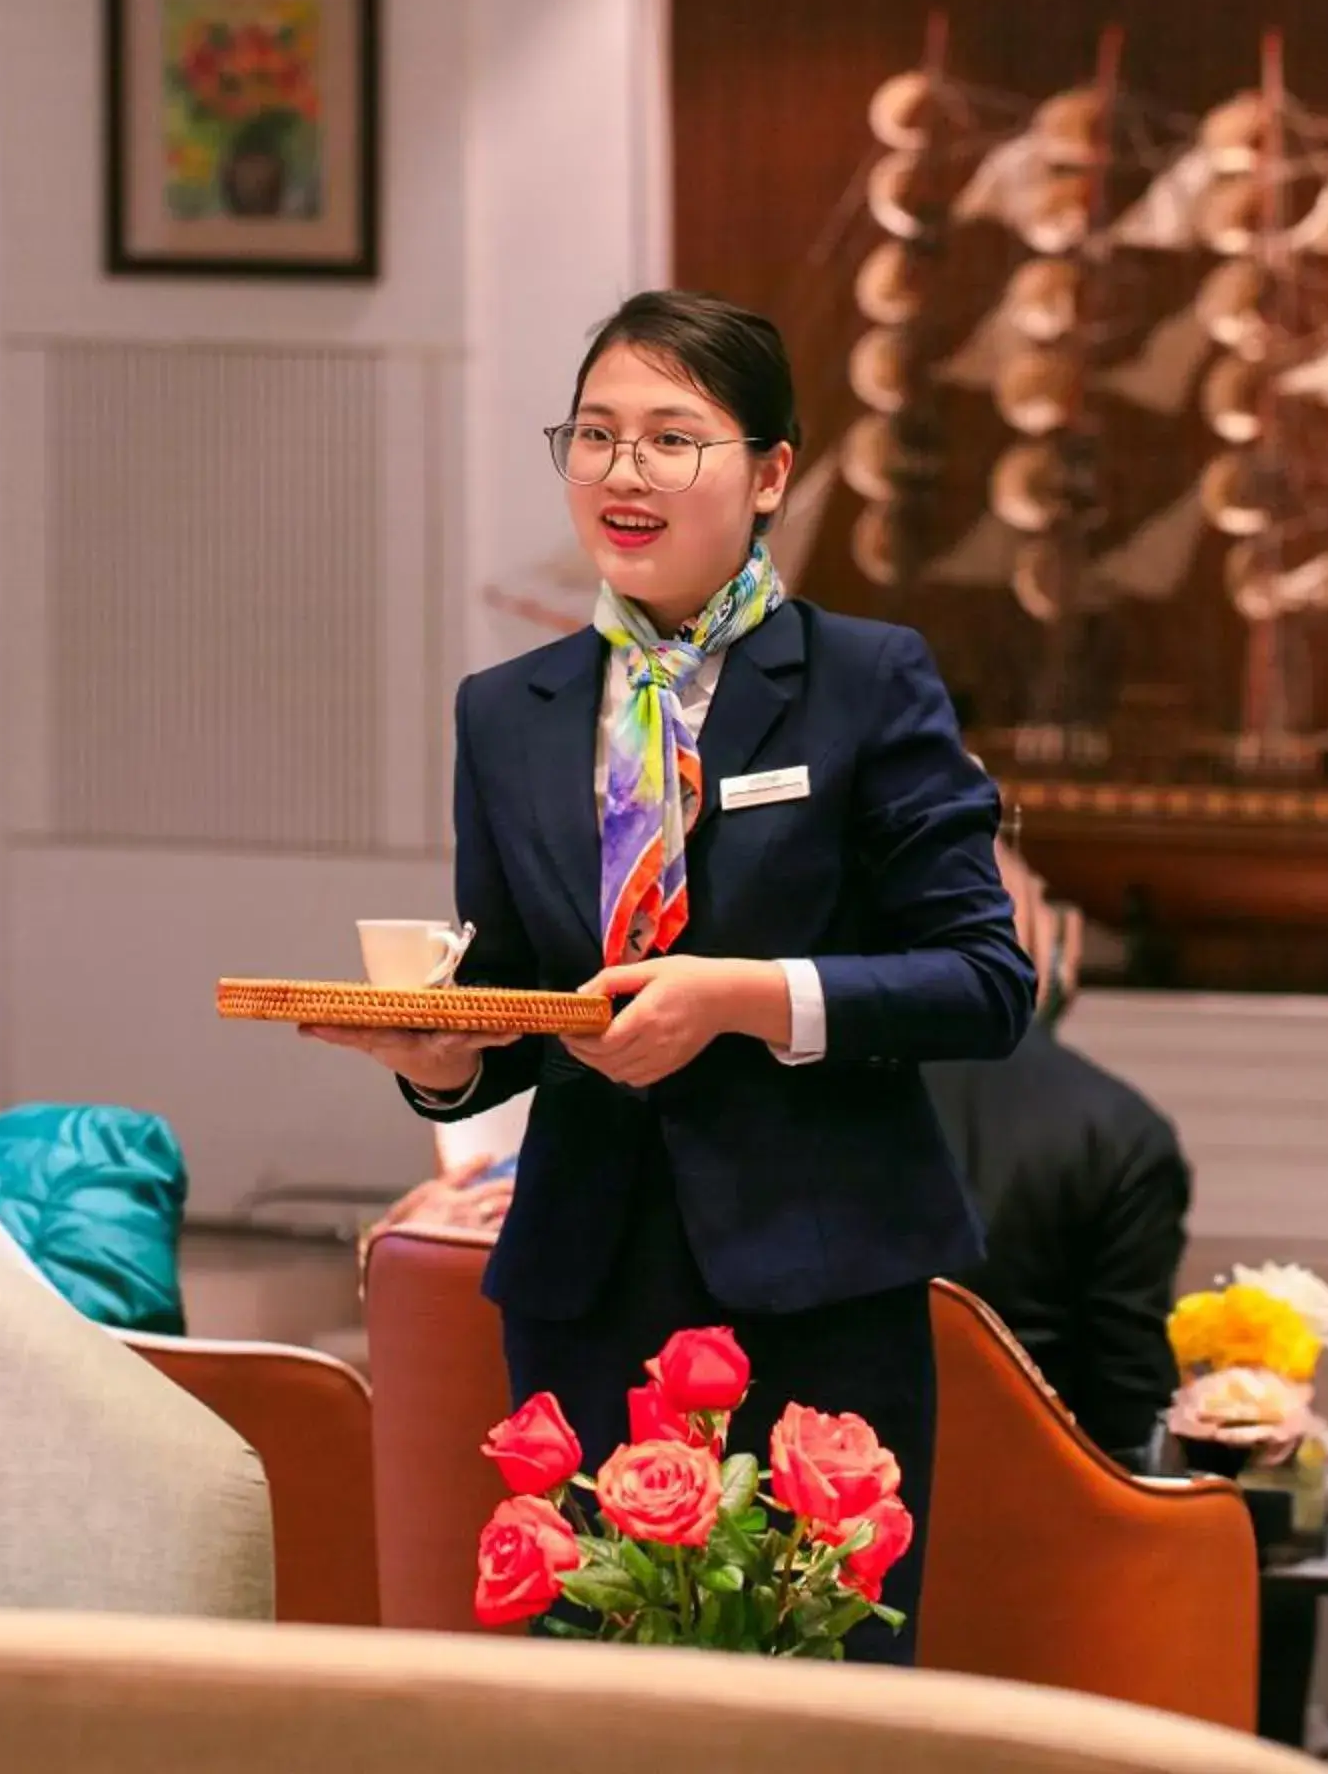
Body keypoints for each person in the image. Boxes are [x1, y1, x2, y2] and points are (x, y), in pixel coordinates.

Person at [306, 291, 1031, 1662]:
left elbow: (982, 982)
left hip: (822, 1283)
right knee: (597, 1702)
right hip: (588, 1279)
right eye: (594, 435)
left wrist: (741, 995)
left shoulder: (867, 684)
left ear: (768, 474)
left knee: (816, 1695)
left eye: (670, 438)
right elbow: (521, 998)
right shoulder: (505, 711)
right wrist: (443, 1059)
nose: (623, 471)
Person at [922, 836, 1190, 1471]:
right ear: (1046, 943)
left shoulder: (789, 1089)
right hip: (1034, 1523)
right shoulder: (1120, 1130)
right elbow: (1128, 1420)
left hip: (813, 1539)